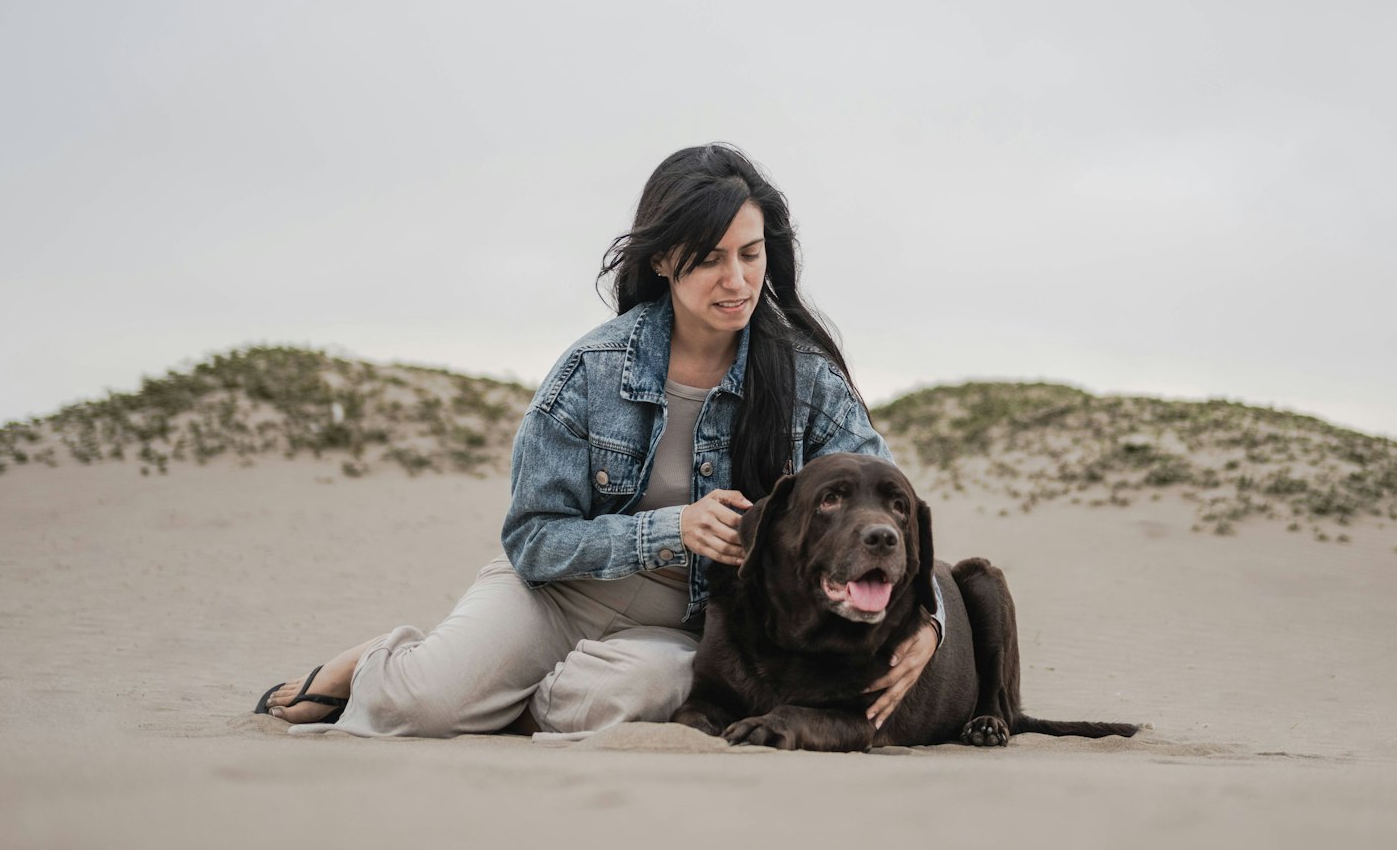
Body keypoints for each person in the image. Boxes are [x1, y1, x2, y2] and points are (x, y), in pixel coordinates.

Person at [255, 144, 941, 737]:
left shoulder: (805, 379)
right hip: (556, 596)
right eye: (710, 259)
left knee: (635, 699)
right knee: (422, 707)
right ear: (666, 260)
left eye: (751, 253)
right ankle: (382, 663)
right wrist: (670, 529)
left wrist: (931, 621)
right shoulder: (595, 369)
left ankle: (507, 702)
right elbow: (532, 538)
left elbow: (886, 503)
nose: (737, 280)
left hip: (688, 627)